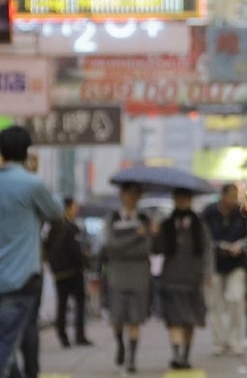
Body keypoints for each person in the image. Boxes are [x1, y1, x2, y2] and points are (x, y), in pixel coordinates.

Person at [0, 126, 63, 378]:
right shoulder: (32, 185)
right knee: (10, 341)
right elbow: (58, 215)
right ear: (27, 153)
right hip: (23, 277)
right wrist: (45, 250)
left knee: (7, 343)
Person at [153, 188, 211, 369]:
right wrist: (155, 234)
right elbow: (157, 249)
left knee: (190, 321)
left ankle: (185, 355)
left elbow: (208, 250)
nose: (182, 202)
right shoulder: (166, 225)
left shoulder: (199, 225)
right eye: (179, 198)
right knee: (174, 320)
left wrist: (207, 273)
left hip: (193, 278)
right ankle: (177, 356)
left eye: (185, 198)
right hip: (171, 278)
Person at [103, 183, 152, 375]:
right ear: (122, 195)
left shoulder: (145, 219)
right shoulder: (112, 218)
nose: (131, 198)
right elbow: (110, 247)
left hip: (139, 277)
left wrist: (127, 244)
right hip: (117, 276)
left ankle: (131, 357)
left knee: (135, 319)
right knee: (118, 318)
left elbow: (146, 248)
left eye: (135, 194)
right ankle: (119, 343)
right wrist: (135, 237)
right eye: (128, 194)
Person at [201, 183, 247, 356]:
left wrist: (241, 246)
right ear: (222, 196)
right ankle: (218, 341)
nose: (232, 200)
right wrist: (217, 246)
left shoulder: (242, 213)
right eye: (230, 195)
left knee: (236, 300)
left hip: (236, 263)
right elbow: (203, 238)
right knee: (215, 304)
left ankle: (234, 339)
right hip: (214, 263)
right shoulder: (209, 213)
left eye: (235, 196)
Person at [46, 197, 93, 349]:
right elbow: (75, 251)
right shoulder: (71, 228)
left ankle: (63, 336)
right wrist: (85, 263)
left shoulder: (54, 227)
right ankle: (79, 335)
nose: (77, 209)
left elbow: (46, 248)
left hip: (58, 272)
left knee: (62, 304)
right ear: (68, 208)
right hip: (73, 272)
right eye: (74, 206)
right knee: (80, 303)